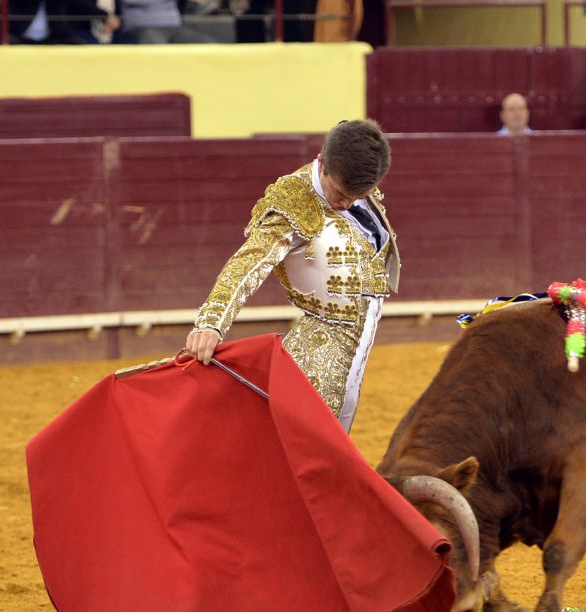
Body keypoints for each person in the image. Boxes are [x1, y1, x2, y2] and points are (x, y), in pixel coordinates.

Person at [185, 119, 398, 432]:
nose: (346, 204)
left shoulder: (355, 176)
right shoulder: (293, 202)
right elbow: (248, 262)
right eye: (340, 193)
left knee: (330, 437)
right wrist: (211, 322)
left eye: (357, 196)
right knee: (308, 441)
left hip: (355, 349)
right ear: (321, 162)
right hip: (318, 353)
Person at [0, 0, 118, 43]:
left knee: (82, 48)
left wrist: (104, 16)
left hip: (52, 36)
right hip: (17, 35)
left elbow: (77, 3)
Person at [117, 0, 216, 42]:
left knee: (206, 44)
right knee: (154, 41)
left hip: (174, 27)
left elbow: (196, 6)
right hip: (142, 27)